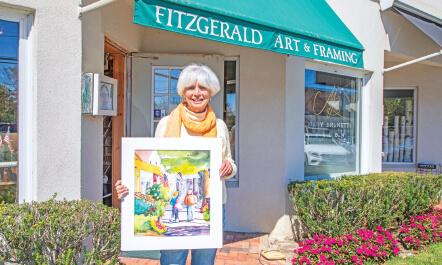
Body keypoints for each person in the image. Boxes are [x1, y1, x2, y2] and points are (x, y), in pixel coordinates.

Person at [115, 63, 237, 265]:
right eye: (191, 87)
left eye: (203, 88)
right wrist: (129, 183)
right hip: (176, 197)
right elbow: (158, 163)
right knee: (172, 260)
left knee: (205, 261)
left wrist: (228, 167)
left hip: (214, 205)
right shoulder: (166, 124)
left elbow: (230, 163)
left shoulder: (220, 126)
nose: (197, 93)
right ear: (183, 92)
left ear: (211, 92)